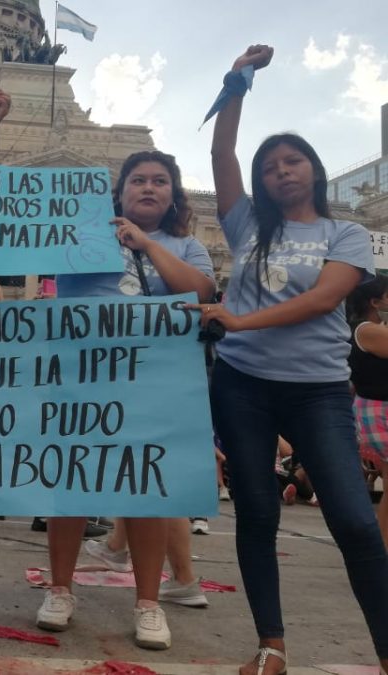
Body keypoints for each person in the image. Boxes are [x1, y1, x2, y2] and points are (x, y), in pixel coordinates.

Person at [200, 44, 388, 675]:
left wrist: (237, 318)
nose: (283, 171)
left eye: (294, 160)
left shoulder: (346, 234)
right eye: (272, 164)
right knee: (256, 510)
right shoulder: (245, 222)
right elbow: (222, 153)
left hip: (319, 392)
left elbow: (324, 299)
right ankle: (271, 644)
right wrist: (237, 81)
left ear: (314, 168)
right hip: (243, 386)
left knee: (356, 523)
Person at [40, 150, 216, 651]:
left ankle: (148, 602)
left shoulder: (187, 246)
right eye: (138, 180)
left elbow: (201, 290)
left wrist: (145, 245)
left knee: (146, 489)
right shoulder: (79, 235)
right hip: (82, 375)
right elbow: (13, 247)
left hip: (153, 382)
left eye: (160, 181)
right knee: (70, 481)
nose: (148, 188)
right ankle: (59, 589)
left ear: (173, 193)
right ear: (118, 192)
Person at [346, 273, 388, 547]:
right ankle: (381, 547)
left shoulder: (365, 328)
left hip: (373, 407)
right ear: (375, 301)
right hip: (379, 409)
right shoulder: (367, 330)